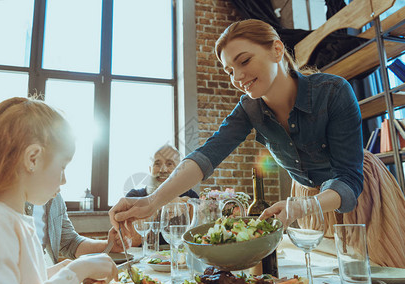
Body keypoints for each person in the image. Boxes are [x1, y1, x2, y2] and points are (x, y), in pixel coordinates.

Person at [109, 19, 405, 268]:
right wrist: (152, 201)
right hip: (305, 200)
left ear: (277, 50)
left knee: (381, 277)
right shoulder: (249, 109)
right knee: (328, 275)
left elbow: (349, 179)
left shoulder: (334, 92)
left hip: (360, 190)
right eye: (228, 70)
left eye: (245, 61)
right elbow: (205, 156)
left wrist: (305, 206)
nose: (237, 77)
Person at [0, 97, 118, 284]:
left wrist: (65, 270)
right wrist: (76, 272)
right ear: (32, 158)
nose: (64, 179)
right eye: (62, 167)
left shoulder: (8, 218)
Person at [126, 144, 199, 246]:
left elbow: (197, 239)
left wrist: (189, 207)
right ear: (150, 169)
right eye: (157, 164)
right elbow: (131, 242)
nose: (163, 169)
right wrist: (158, 204)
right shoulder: (134, 196)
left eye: (169, 164)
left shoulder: (190, 196)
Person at [25, 194, 126, 266]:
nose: (64, 180)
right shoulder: (11, 201)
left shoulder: (56, 198)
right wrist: (76, 271)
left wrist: (109, 246)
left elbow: (70, 243)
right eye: (60, 168)